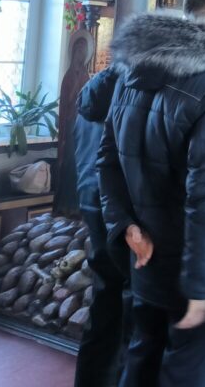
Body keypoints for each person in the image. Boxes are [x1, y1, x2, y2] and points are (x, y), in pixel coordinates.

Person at [98, 0, 205, 387]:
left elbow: (108, 161)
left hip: (144, 253)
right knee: (188, 375)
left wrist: (125, 225)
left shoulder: (131, 72)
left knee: (142, 363)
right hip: (197, 264)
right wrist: (202, 284)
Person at [73, 66, 131, 387]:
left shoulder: (89, 94)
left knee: (105, 306)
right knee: (131, 314)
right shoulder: (132, 98)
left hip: (93, 205)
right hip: (123, 214)